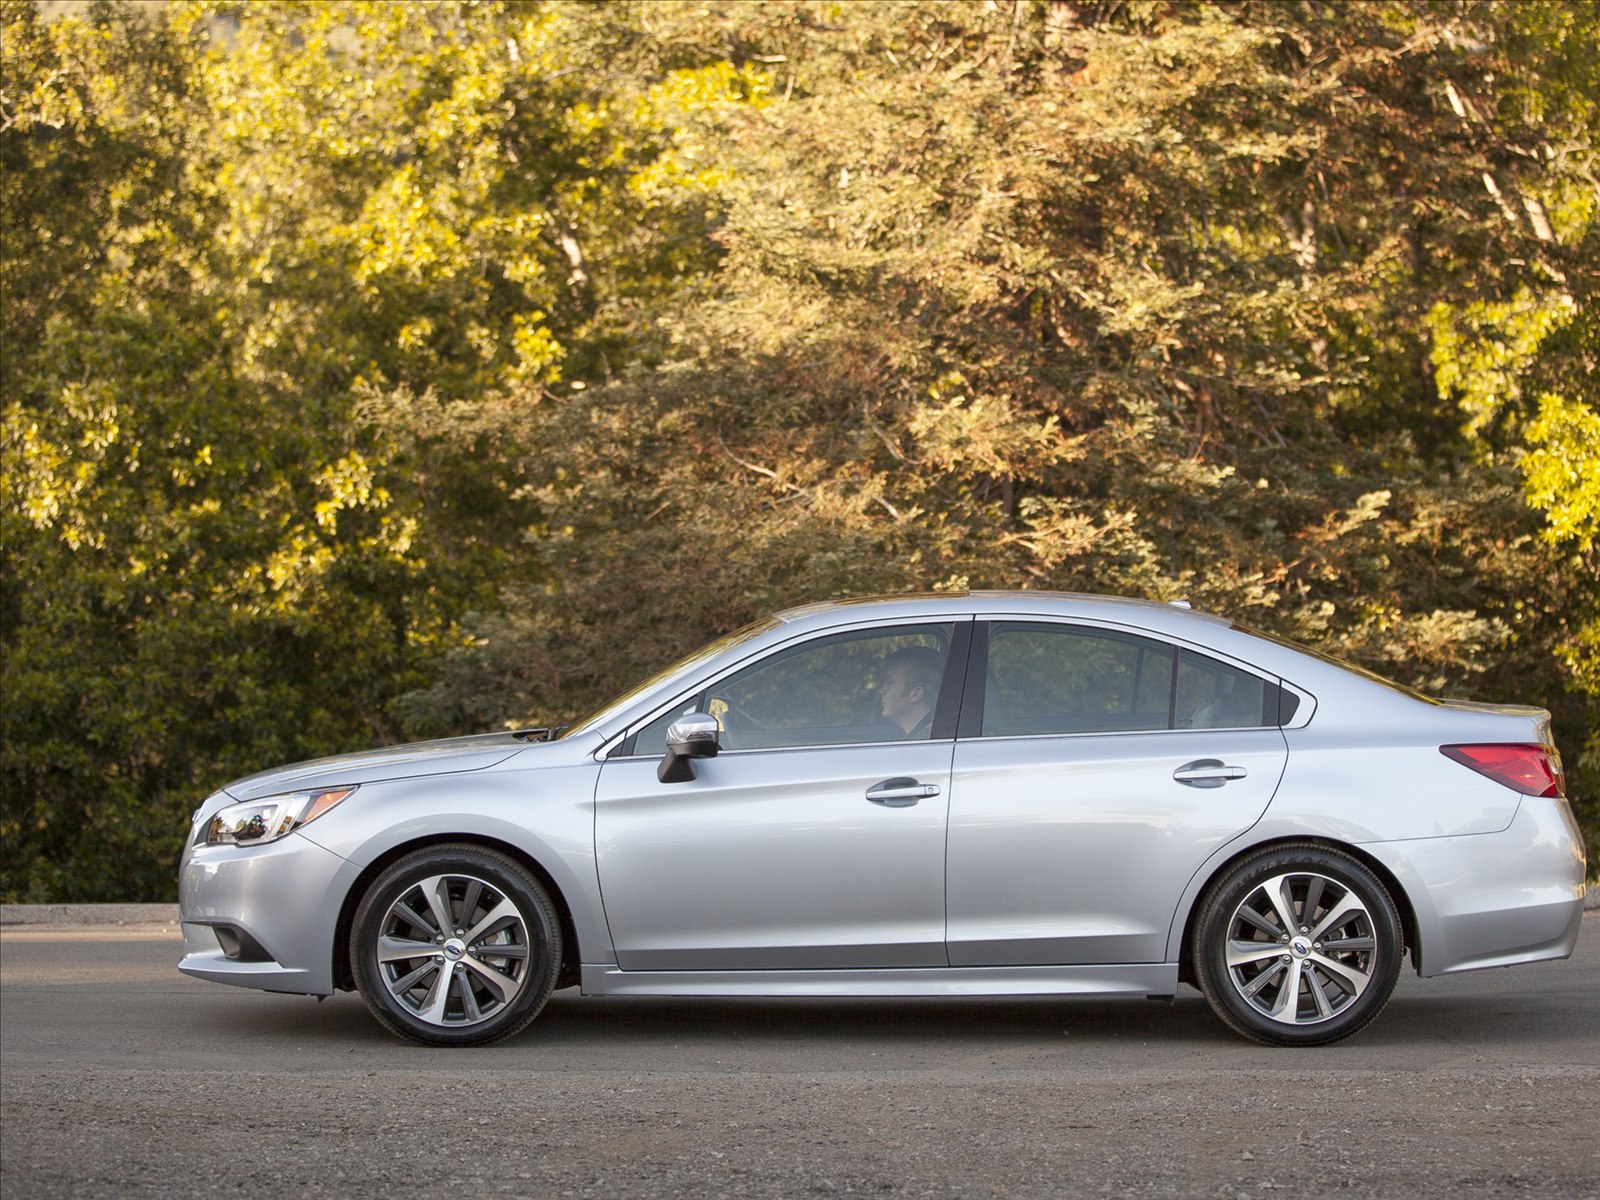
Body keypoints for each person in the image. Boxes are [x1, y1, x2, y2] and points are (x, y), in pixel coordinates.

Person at [878, 646, 943, 738]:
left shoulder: (922, 745)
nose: (881, 691)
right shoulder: (928, 736)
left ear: (915, 694)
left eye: (890, 683)